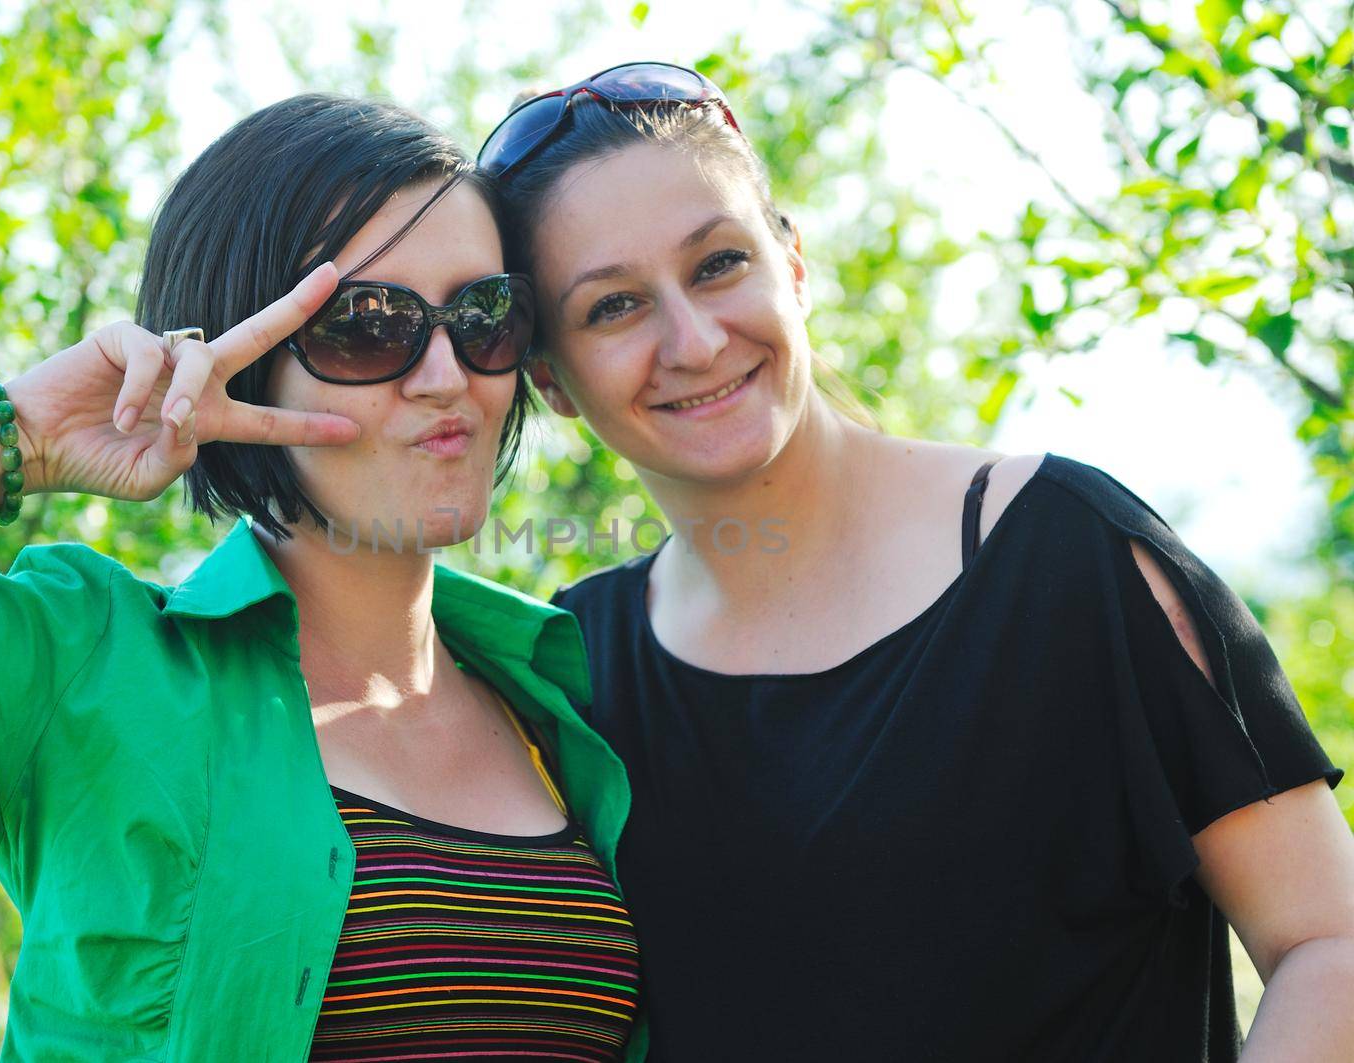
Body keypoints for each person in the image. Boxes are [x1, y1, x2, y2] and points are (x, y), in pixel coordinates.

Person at [481, 62, 1354, 1061]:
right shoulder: (573, 672)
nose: (693, 338)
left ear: (791, 260)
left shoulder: (1071, 555)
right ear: (548, 379)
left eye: (719, 263)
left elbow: (1328, 943)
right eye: (613, 307)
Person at [0, 94, 645, 1062]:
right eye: (367, 324)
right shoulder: (79, 661)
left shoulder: (569, 693)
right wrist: (21, 436)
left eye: (483, 316)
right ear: (233, 354)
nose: (445, 375)